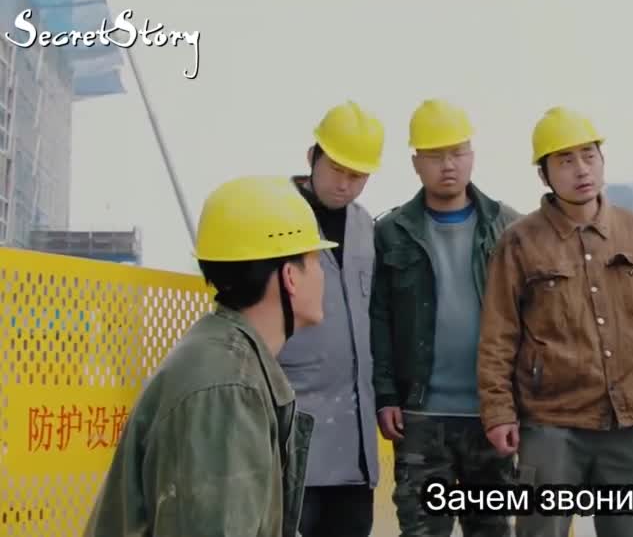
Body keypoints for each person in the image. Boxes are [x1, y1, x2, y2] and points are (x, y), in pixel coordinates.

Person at [82, 175, 335, 537]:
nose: (323, 275)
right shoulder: (228, 390)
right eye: (316, 261)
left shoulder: (226, 360)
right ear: (290, 276)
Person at [476, 106, 633, 537]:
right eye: (565, 160)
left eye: (589, 155)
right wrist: (498, 413)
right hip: (551, 423)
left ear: (602, 159)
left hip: (629, 422)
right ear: (544, 175)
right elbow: (498, 335)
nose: (581, 169)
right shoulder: (519, 242)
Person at [370, 99, 522, 537]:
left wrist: (521, 402)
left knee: (491, 529)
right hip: (420, 416)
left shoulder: (508, 227)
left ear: (472, 155)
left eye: (457, 152)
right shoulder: (392, 232)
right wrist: (386, 395)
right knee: (421, 531)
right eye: (435, 155)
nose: (448, 165)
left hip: (490, 415)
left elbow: (530, 320)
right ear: (416, 163)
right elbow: (380, 319)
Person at [276, 101, 385, 537]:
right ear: (312, 157)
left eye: (357, 176)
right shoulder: (277, 221)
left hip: (353, 444)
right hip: (292, 436)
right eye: (336, 169)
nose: (344, 185)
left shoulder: (367, 230)